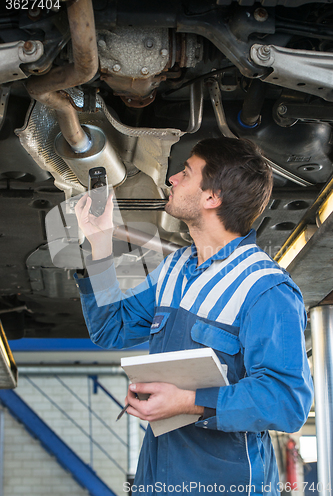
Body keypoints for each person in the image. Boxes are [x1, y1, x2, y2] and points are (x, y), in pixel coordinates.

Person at [74, 137, 313, 496]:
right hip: (157, 477)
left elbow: (288, 400)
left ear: (211, 198)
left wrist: (188, 401)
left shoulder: (264, 289)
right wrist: (100, 248)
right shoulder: (173, 269)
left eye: (185, 173)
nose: (172, 179)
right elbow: (111, 327)